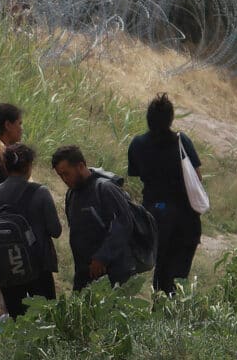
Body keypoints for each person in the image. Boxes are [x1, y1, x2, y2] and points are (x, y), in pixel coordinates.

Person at [128, 93, 202, 295]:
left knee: (161, 270)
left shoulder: (137, 144)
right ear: (171, 119)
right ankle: (170, 318)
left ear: (148, 118)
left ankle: (158, 310)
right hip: (185, 219)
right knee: (178, 277)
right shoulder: (181, 141)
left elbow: (137, 173)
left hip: (154, 217)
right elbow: (197, 177)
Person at [0, 143, 61, 317]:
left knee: (18, 321)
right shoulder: (41, 192)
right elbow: (56, 230)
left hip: (8, 268)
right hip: (39, 267)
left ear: (5, 166)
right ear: (28, 166)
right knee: (48, 318)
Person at [52, 145, 136, 291]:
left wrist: (102, 257)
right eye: (60, 176)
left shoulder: (105, 189)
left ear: (80, 166)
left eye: (66, 174)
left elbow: (124, 224)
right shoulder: (71, 194)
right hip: (84, 274)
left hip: (112, 275)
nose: (64, 179)